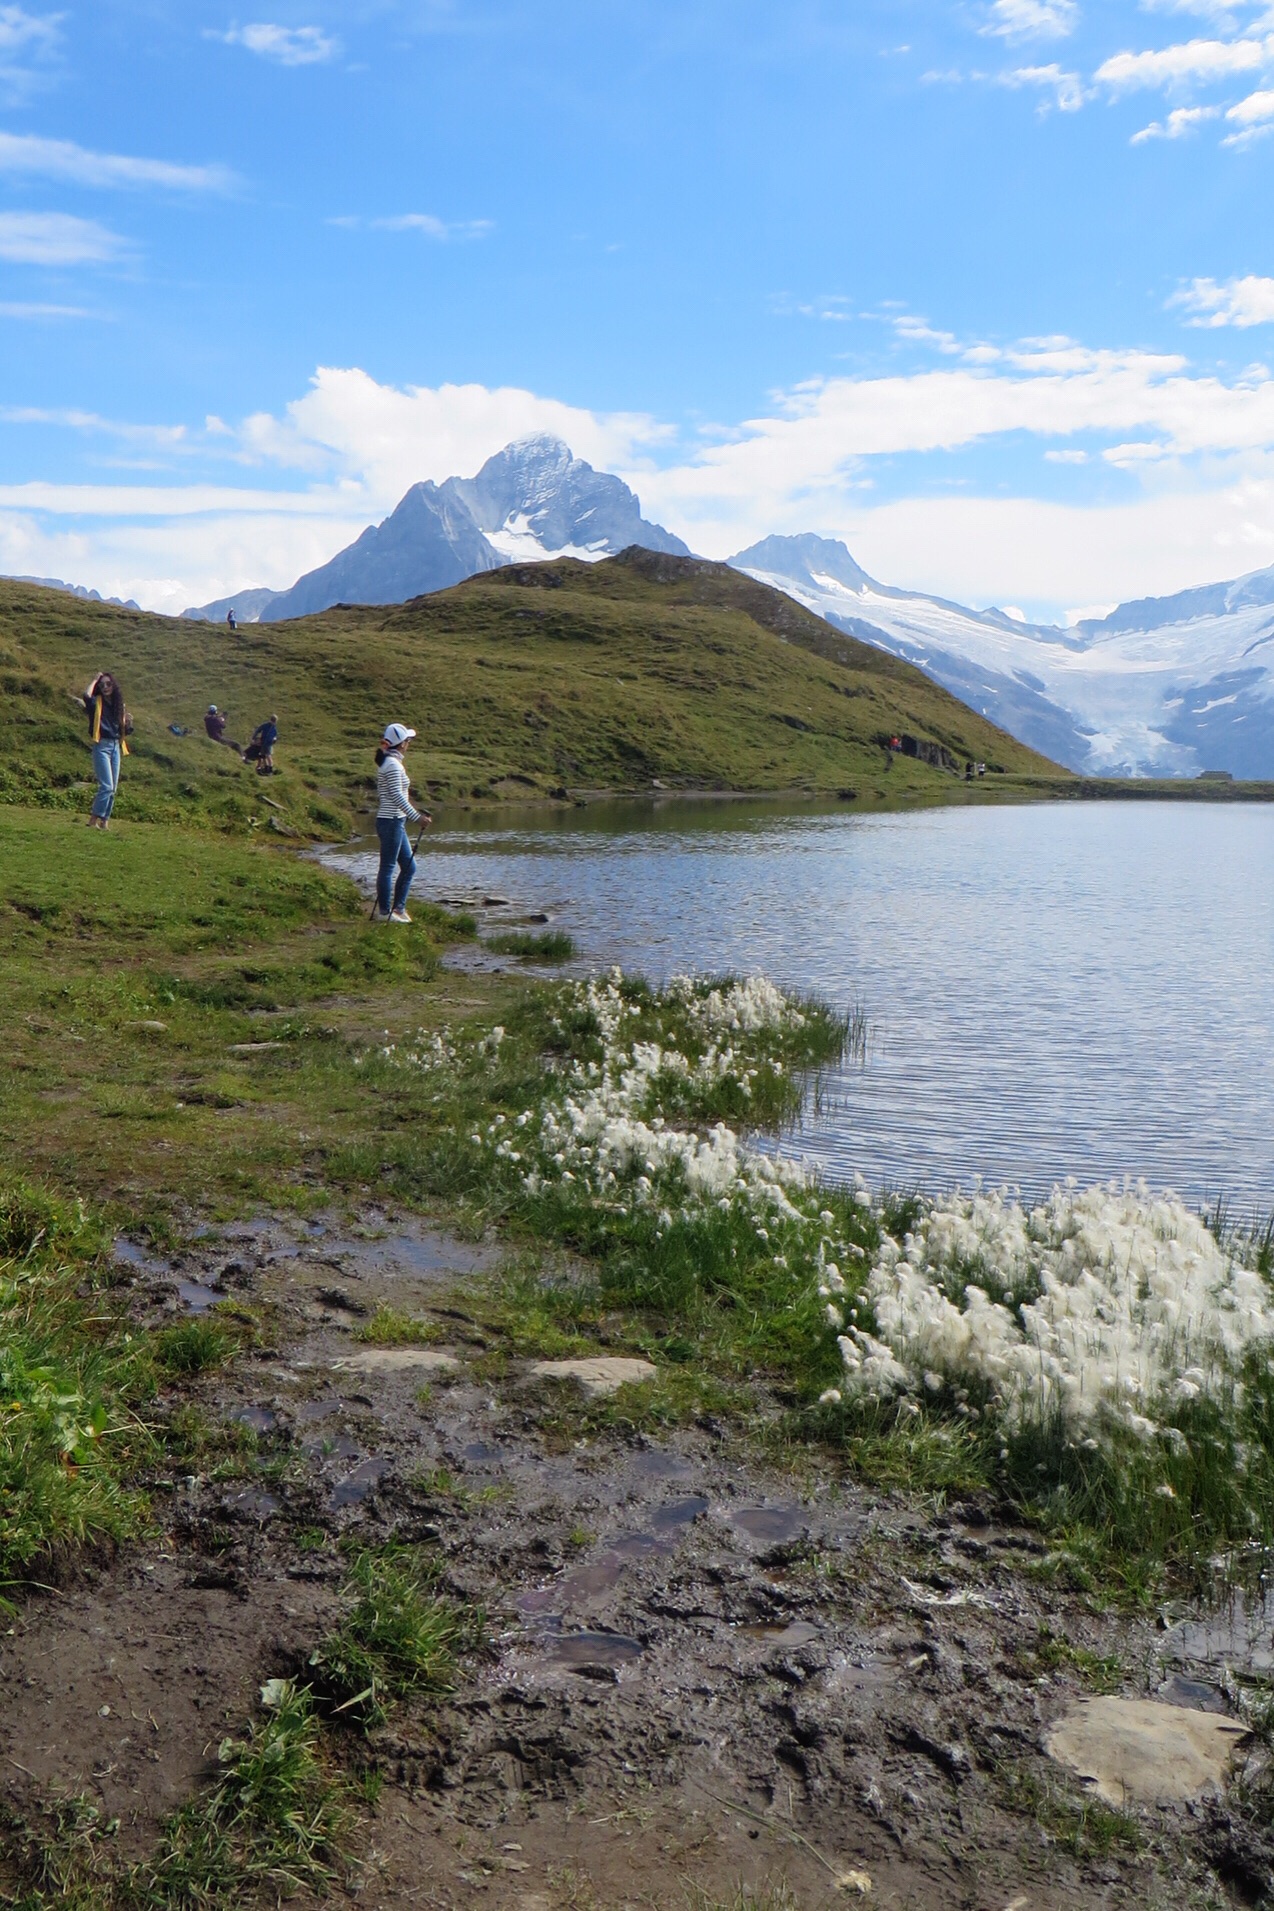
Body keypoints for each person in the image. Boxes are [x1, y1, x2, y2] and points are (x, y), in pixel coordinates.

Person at [374, 723, 429, 923]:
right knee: (388, 867)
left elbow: (398, 796)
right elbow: (397, 796)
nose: (409, 743)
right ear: (401, 744)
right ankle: (385, 912)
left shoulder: (389, 762)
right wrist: (417, 818)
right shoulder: (393, 765)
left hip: (394, 821)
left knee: (408, 867)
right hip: (391, 821)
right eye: (407, 740)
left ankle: (397, 909)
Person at [84, 670, 129, 829]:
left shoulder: (119, 705)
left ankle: (105, 822)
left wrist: (129, 723)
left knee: (113, 788)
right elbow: (86, 696)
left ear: (114, 686)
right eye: (102, 685)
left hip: (116, 746)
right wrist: (94, 680)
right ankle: (92, 820)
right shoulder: (96, 702)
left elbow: (124, 730)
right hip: (101, 745)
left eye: (108, 684)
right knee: (107, 786)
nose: (105, 687)